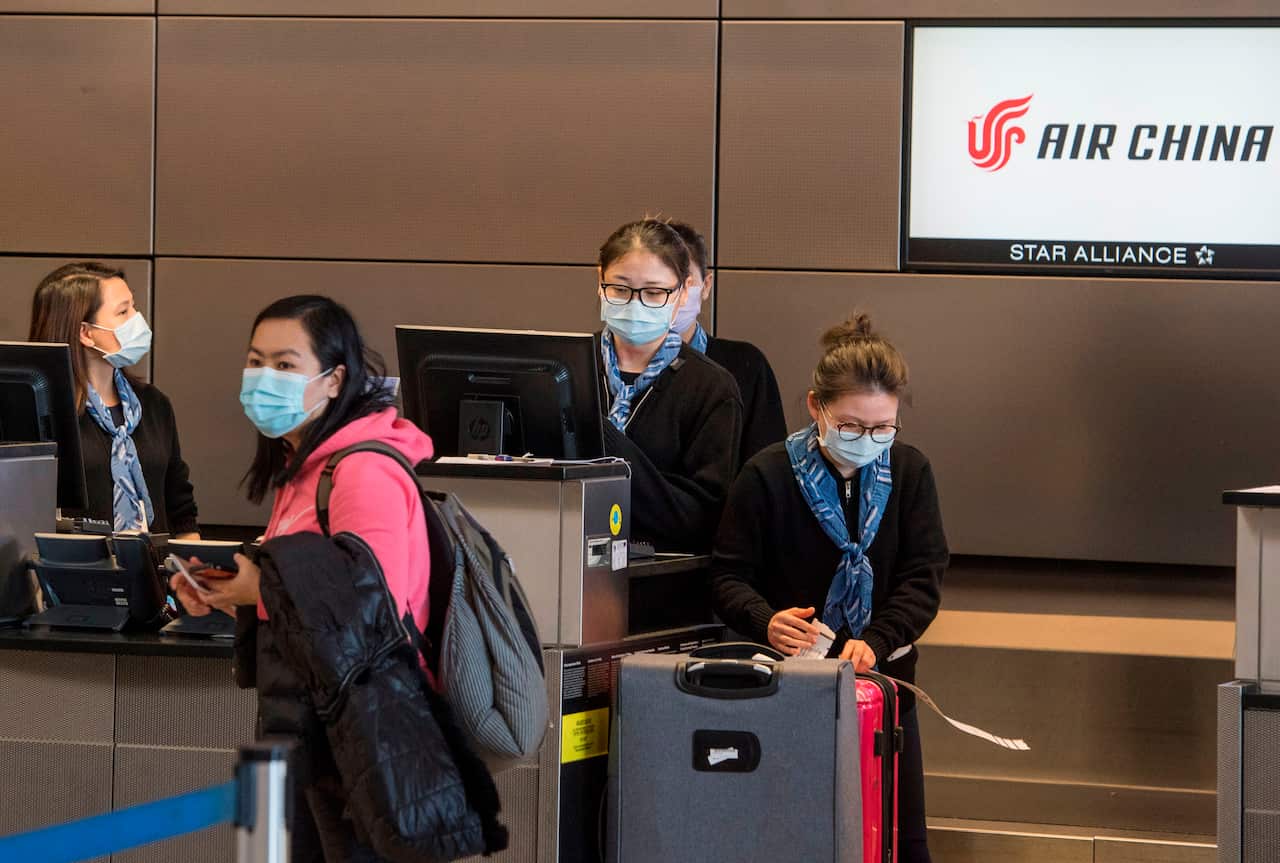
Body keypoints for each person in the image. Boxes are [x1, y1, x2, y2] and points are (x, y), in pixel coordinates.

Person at [171, 296, 499, 861]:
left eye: (284, 364)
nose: (262, 379)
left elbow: (370, 608)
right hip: (297, 726)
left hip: (358, 738)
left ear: (333, 380)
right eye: (255, 361)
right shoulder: (303, 468)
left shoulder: (363, 471)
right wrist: (230, 595)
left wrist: (261, 591)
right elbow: (305, 597)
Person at [710, 313, 948, 863]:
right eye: (850, 426)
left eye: (882, 428)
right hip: (787, 685)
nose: (867, 441)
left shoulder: (909, 472)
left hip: (883, 685)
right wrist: (765, 619)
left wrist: (881, 638)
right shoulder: (767, 475)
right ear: (816, 406)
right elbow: (727, 575)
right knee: (792, 833)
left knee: (897, 837)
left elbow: (923, 575)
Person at [596, 219, 744, 552]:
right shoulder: (571, 365)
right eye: (619, 289)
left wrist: (604, 440)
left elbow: (701, 518)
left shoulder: (710, 387)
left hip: (661, 583)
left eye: (654, 292)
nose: (635, 304)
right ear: (599, 280)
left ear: (682, 293)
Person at [29, 262, 198, 537]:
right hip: (72, 574)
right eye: (123, 311)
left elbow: (180, 507)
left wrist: (191, 572)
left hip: (151, 574)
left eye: (133, 306)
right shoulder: (43, 414)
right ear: (86, 332)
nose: (137, 319)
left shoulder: (154, 405)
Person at [668, 221, 787, 463]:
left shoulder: (745, 365)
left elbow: (767, 470)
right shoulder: (601, 364)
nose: (670, 292)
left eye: (683, 280)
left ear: (706, 285)